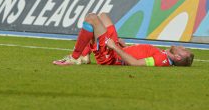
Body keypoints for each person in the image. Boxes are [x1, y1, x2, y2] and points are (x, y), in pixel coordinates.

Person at [53, 12, 194, 67]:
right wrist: (126, 47)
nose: (181, 46)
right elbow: (139, 53)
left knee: (92, 18)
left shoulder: (161, 60)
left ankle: (75, 57)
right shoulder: (164, 55)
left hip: (111, 56)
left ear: (177, 57)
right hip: (119, 49)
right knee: (104, 16)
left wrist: (114, 47)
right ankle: (85, 56)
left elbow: (134, 63)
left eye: (183, 50)